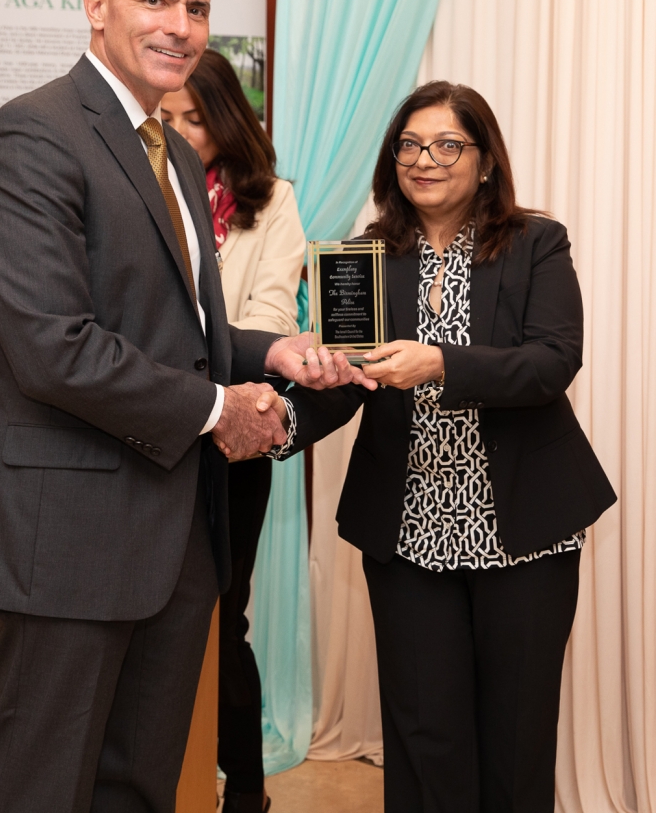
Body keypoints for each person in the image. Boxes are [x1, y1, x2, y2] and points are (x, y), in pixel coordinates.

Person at [0, 0, 358, 812]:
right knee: (41, 786)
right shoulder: (32, 135)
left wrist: (272, 350)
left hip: (177, 533)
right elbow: (51, 345)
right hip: (70, 538)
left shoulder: (173, 149)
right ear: (97, 6)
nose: (180, 24)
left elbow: (183, 324)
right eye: (156, 0)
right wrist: (221, 408)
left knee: (139, 787)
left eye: (197, 6)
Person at [266, 80, 616, 812]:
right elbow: (343, 381)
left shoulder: (533, 244)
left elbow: (554, 360)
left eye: (447, 144)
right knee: (425, 734)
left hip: (522, 529)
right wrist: (279, 421)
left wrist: (443, 363)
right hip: (408, 531)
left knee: (516, 736)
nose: (425, 159)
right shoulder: (361, 256)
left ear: (485, 160)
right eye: (410, 145)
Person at [162, 47, 305, 813]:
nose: (182, 133)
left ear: (227, 120)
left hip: (236, 430)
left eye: (196, 119)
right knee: (156, 614)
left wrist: (220, 392)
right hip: (152, 428)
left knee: (225, 611)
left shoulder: (271, 200)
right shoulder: (146, 185)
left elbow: (275, 316)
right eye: (170, 117)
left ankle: (245, 791)